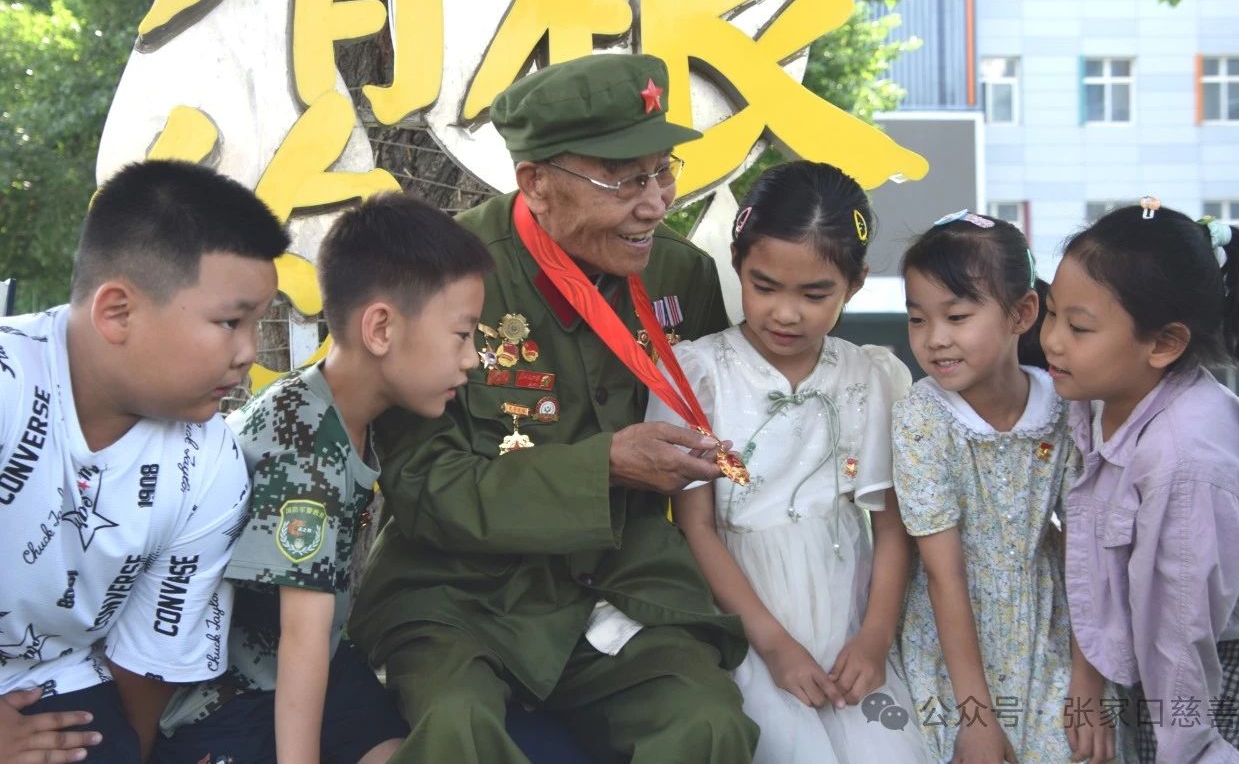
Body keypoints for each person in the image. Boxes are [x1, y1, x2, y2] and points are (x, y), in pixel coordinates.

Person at [348, 54, 758, 763]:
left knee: (707, 724)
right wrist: (605, 467)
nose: (654, 204)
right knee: (456, 726)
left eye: (662, 171)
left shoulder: (678, 275)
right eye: (624, 179)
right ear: (536, 184)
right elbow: (422, 484)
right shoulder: (445, 280)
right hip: (458, 595)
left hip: (621, 583)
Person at [153, 194, 491, 763]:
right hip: (230, 695)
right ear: (380, 329)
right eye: (462, 335)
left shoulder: (344, 406)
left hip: (321, 666)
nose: (473, 358)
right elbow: (301, 639)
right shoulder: (307, 450)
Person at [0, 159, 288, 762]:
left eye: (257, 323)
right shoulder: (9, 386)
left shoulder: (211, 465)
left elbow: (148, 660)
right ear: (117, 313)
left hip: (56, 682)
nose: (248, 352)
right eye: (230, 321)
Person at [644, 162, 930, 763]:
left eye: (815, 294)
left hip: (849, 610)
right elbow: (697, 526)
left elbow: (890, 525)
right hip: (746, 613)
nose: (785, 313)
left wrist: (875, 638)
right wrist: (772, 644)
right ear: (737, 263)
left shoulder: (871, 376)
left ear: (855, 283)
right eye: (765, 286)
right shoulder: (697, 375)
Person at [1042, 202, 1239, 762]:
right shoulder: (1108, 395)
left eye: (1078, 327)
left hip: (1230, 666)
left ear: (1165, 344)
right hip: (1176, 663)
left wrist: (1187, 751)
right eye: (1051, 314)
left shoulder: (1186, 460)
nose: (1051, 340)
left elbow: (1180, 636)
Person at [892, 210, 1101, 763]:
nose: (935, 339)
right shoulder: (922, 416)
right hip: (953, 647)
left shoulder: (1066, 407)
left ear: (1022, 313)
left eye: (957, 316)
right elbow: (944, 574)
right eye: (917, 319)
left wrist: (1089, 682)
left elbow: (1085, 550)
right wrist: (976, 716)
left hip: (1052, 626)